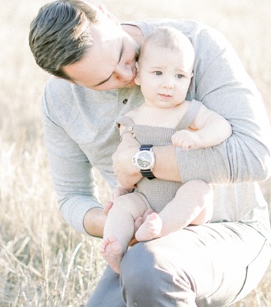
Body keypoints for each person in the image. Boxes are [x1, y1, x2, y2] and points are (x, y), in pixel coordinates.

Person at [28, 0, 271, 307]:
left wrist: (142, 161)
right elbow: (70, 198)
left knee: (150, 264)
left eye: (124, 53)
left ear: (105, 12)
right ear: (66, 79)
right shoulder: (60, 100)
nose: (129, 73)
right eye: (106, 80)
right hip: (146, 231)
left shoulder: (195, 44)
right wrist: (115, 219)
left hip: (229, 232)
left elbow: (256, 157)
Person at [100, 26, 233, 275]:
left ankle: (160, 228)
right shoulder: (131, 119)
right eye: (158, 73)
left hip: (187, 205)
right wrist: (122, 187)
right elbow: (124, 162)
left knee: (199, 190)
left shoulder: (188, 111)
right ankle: (116, 248)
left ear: (190, 79)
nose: (169, 84)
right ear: (138, 75)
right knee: (122, 206)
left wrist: (199, 137)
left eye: (180, 76)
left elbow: (222, 126)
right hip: (145, 198)